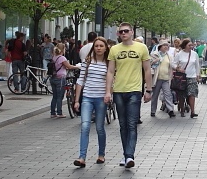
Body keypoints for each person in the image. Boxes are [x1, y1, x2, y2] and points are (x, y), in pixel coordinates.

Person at [106, 23, 152, 168]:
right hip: (119, 90)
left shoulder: (141, 48)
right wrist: (108, 91)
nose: (124, 33)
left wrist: (148, 89)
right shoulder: (114, 49)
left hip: (134, 90)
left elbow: (147, 69)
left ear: (132, 32)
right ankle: (126, 154)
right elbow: (110, 71)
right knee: (122, 124)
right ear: (118, 34)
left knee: (132, 124)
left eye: (126, 31)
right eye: (121, 32)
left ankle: (129, 156)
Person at [73, 37, 111, 168]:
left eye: (101, 46)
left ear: (106, 48)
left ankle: (101, 154)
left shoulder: (108, 63)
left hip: (101, 98)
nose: (99, 48)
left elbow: (110, 81)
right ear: (93, 48)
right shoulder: (87, 62)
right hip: (87, 97)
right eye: (96, 46)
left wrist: (108, 93)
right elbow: (80, 80)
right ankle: (82, 157)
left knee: (100, 127)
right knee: (85, 126)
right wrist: (77, 100)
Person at [172, 39, 201, 117]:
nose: (191, 47)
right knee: (182, 95)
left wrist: (197, 75)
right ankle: (182, 110)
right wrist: (178, 69)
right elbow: (173, 64)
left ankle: (192, 111)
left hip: (192, 77)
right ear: (184, 46)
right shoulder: (179, 54)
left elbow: (197, 65)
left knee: (192, 94)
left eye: (192, 45)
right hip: (182, 77)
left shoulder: (195, 54)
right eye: (189, 45)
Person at [49, 43, 78, 118]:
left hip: (53, 78)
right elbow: (69, 66)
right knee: (60, 96)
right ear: (63, 49)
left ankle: (53, 112)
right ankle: (59, 112)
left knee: (54, 96)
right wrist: (77, 67)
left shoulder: (54, 57)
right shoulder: (62, 58)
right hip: (60, 78)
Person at [150, 41, 175, 117]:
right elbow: (150, 63)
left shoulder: (169, 56)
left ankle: (170, 110)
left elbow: (172, 65)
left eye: (167, 45)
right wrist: (156, 61)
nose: (166, 47)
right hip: (157, 78)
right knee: (155, 95)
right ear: (160, 47)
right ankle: (153, 111)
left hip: (166, 78)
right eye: (164, 45)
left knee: (168, 94)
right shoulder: (154, 54)